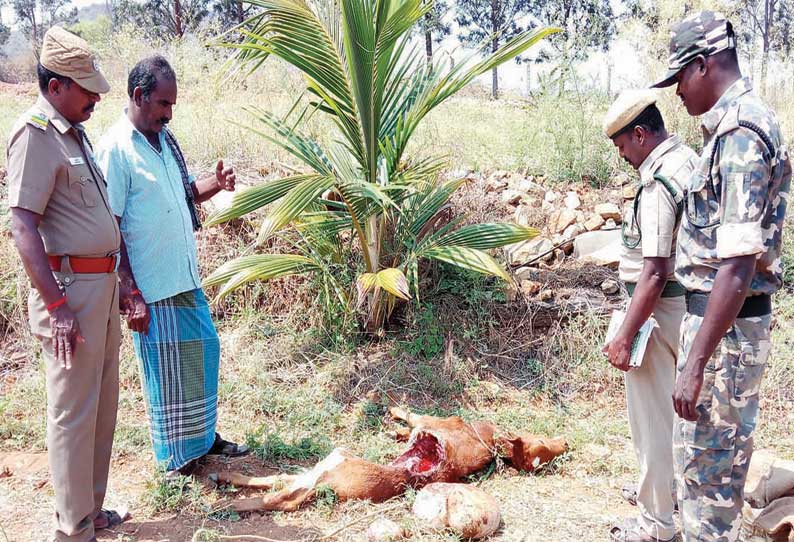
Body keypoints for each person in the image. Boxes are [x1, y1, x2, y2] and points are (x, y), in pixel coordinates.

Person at [651, 11, 791, 542]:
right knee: (707, 482)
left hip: (724, 336)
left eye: (680, 79)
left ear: (704, 67)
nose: (678, 95)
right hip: (721, 328)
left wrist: (695, 365)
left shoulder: (739, 136)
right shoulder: (737, 128)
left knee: (709, 491)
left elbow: (735, 266)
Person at [96, 55, 248, 477]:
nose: (168, 112)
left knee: (202, 354)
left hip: (181, 273)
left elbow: (181, 196)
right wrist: (130, 293)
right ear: (139, 95)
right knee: (165, 373)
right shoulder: (116, 149)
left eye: (172, 105)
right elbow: (112, 226)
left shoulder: (163, 141)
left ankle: (202, 438)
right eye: (163, 103)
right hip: (150, 284)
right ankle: (177, 460)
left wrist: (215, 184)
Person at [6, 26, 130, 542]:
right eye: (86, 88)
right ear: (55, 86)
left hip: (99, 291)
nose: (97, 97)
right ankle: (72, 527)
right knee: (72, 413)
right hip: (70, 295)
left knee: (101, 405)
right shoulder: (34, 135)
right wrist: (57, 306)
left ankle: (91, 510)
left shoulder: (73, 134)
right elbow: (22, 224)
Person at [602, 90, 697, 542]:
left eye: (623, 146)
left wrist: (626, 333)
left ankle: (656, 526)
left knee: (652, 420)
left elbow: (655, 271)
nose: (622, 156)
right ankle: (665, 492)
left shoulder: (658, 180)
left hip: (660, 310)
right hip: (690, 309)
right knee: (676, 415)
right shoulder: (688, 159)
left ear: (641, 134)